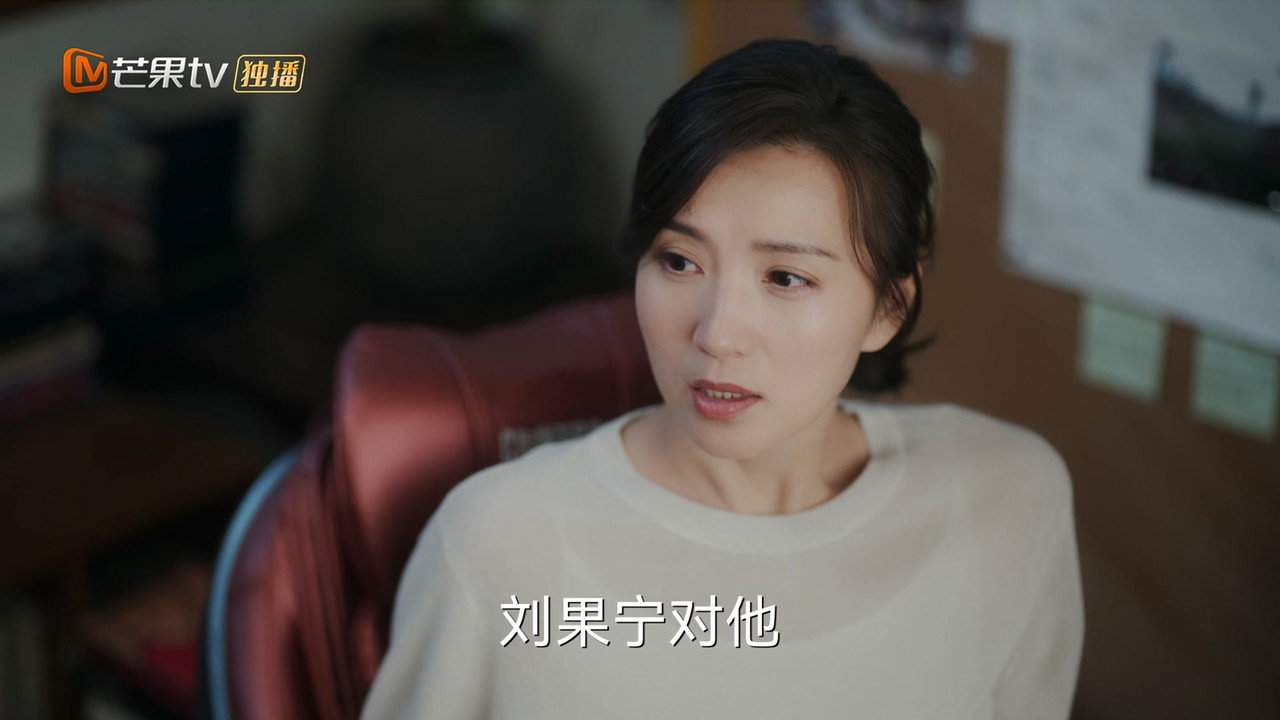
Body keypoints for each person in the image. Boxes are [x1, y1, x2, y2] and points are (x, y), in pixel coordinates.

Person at [359, 38, 1084, 720]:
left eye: (785, 277)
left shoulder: (1006, 499)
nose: (716, 334)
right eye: (679, 261)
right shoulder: (501, 544)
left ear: (888, 307)